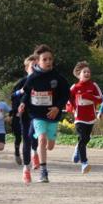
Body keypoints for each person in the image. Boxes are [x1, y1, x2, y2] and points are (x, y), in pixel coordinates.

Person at [17, 45, 70, 184]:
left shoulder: (57, 77)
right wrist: (22, 103)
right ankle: (43, 171)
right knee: (42, 139)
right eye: (44, 59)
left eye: (50, 59)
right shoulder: (33, 77)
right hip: (37, 115)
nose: (48, 62)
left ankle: (45, 150)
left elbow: (66, 94)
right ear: (38, 61)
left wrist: (57, 107)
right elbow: (26, 93)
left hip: (52, 115)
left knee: (50, 145)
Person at [68, 60, 103, 174]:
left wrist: (89, 96)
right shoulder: (75, 87)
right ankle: (84, 163)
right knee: (83, 139)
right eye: (85, 72)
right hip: (79, 118)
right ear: (79, 74)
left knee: (86, 138)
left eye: (88, 72)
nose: (87, 73)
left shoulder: (93, 85)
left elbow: (101, 99)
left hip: (90, 117)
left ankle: (77, 149)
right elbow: (68, 98)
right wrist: (72, 107)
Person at [11, 55, 40, 175]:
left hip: (37, 113)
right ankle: (24, 162)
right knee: (24, 138)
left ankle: (35, 153)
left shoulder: (41, 81)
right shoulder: (22, 82)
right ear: (26, 68)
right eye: (32, 66)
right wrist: (21, 92)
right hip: (23, 114)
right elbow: (13, 96)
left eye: (36, 66)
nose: (34, 68)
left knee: (35, 136)